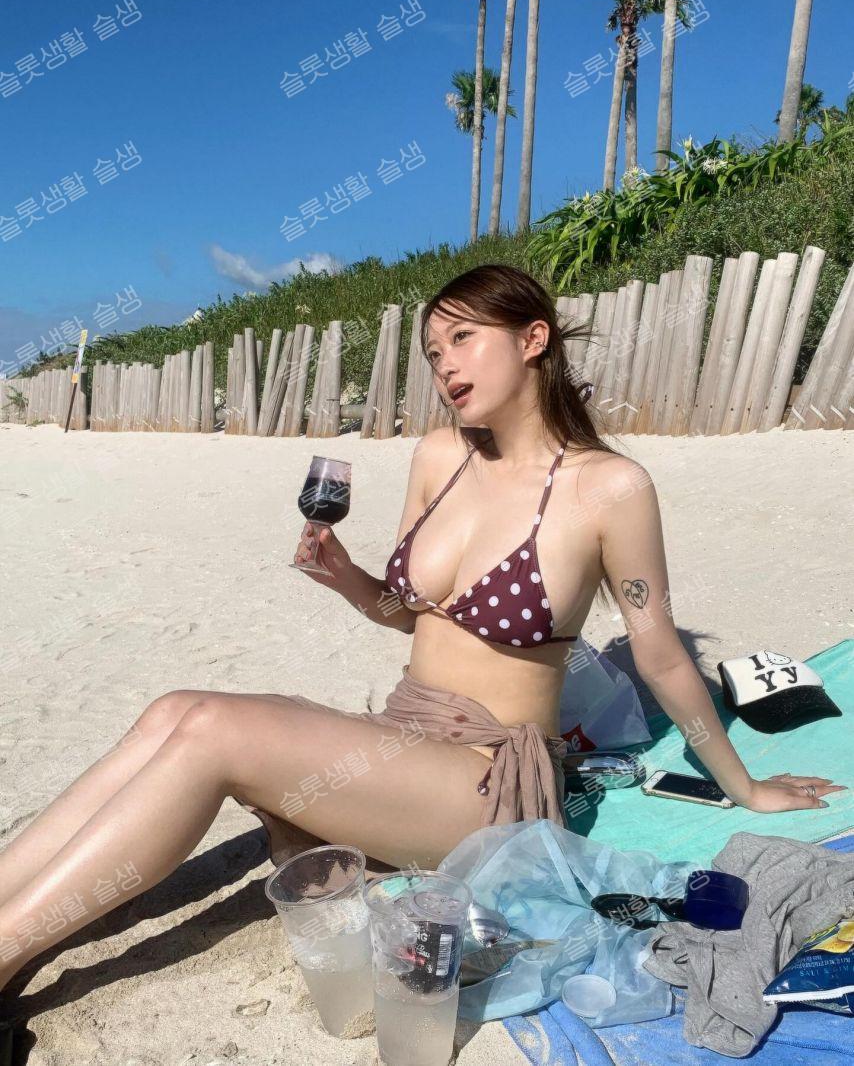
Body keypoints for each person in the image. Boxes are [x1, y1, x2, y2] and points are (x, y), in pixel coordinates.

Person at [0, 263, 844, 1006]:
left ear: (534, 339)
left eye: (463, 339)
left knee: (214, 730)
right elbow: (407, 615)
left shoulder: (610, 488)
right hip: (402, 731)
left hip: (486, 779)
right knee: (173, 709)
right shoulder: (440, 457)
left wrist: (743, 786)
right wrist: (346, 578)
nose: (445, 365)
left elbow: (658, 655)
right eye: (434, 352)